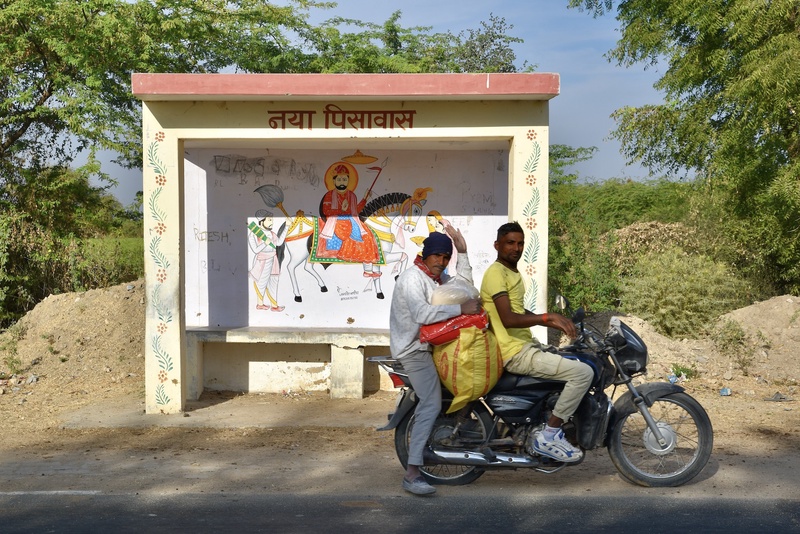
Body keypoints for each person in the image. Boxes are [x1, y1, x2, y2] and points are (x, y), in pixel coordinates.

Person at [480, 221, 593, 463]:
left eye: (520, 243)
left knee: (573, 359)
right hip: (515, 352)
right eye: (510, 243)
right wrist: (546, 317)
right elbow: (509, 319)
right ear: (497, 245)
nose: (516, 248)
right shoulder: (496, 274)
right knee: (582, 373)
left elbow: (519, 311)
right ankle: (550, 434)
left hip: (524, 346)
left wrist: (551, 321)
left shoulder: (511, 272)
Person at [389, 227, 481, 495]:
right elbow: (422, 313)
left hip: (433, 346)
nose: (440, 261)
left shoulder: (437, 279)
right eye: (436, 256)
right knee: (430, 403)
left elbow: (463, 286)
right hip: (413, 349)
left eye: (444, 257)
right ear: (425, 255)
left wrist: (462, 250)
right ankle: (412, 472)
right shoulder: (412, 279)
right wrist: (460, 309)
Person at [315, 162, 381, 268]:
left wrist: (365, 199)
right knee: (351, 234)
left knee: (367, 234)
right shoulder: (329, 195)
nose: (342, 182)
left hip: (352, 219)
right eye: (339, 179)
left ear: (348, 181)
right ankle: (348, 255)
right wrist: (341, 209)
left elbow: (356, 211)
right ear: (334, 180)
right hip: (336, 221)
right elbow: (326, 211)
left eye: (345, 179)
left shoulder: (352, 196)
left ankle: (368, 268)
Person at [248, 210, 286, 312]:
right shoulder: (253, 235)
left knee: (274, 281)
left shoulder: (272, 234)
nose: (272, 222)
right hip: (262, 261)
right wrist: (265, 243)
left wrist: (286, 227)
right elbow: (255, 250)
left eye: (271, 220)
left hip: (273, 260)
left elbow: (278, 243)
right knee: (262, 282)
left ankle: (274, 305)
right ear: (261, 222)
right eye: (269, 220)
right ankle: (260, 304)